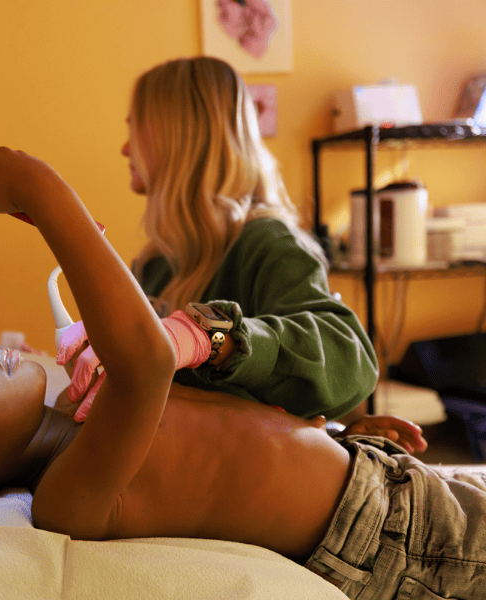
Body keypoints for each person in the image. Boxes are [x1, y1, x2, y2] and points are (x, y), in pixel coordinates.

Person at [0, 148, 482, 600]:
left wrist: (339, 435)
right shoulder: (67, 494)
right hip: (391, 542)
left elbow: (229, 439)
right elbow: (147, 364)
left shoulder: (86, 413)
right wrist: (46, 196)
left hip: (377, 480)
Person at [109, 56, 378, 421]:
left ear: (176, 134)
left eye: (134, 128)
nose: (126, 149)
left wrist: (215, 338)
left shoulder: (268, 243)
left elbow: (350, 359)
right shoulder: (154, 265)